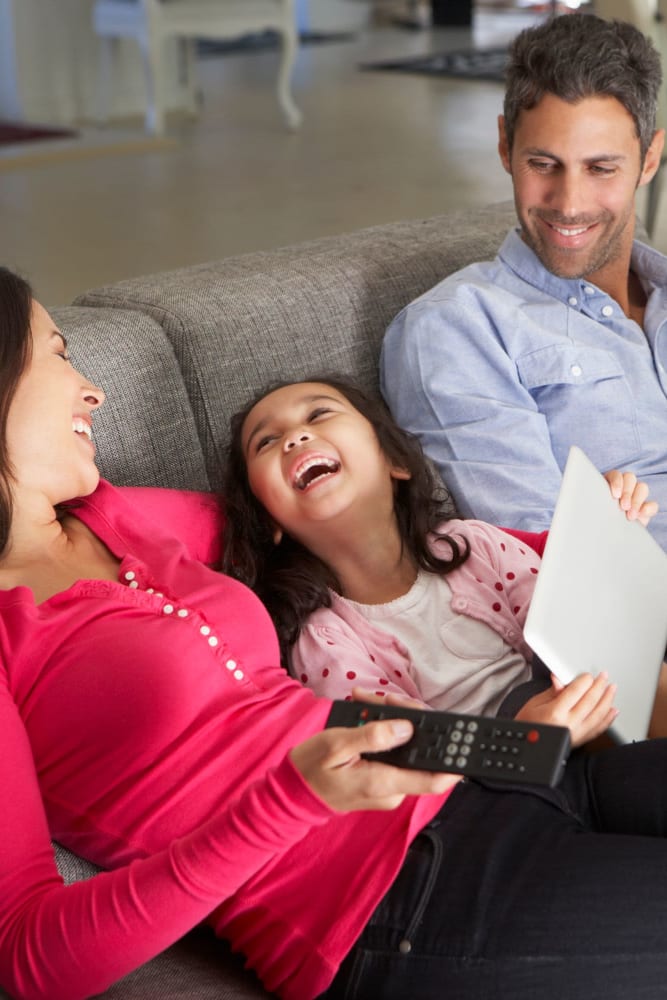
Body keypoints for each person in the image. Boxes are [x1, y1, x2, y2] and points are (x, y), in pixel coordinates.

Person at [5, 266, 667, 1000]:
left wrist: (585, 538)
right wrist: (286, 801)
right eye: (59, 355)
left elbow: (352, 522)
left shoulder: (115, 514)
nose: (91, 390)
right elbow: (29, 959)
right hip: (394, 906)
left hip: (500, 778)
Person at [222, 375, 656, 749]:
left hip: (581, 699)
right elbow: (402, 750)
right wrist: (522, 739)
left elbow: (575, 627)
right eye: (267, 440)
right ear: (268, 519)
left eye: (318, 416)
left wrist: (604, 525)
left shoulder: (474, 544)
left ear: (395, 462)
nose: (295, 438)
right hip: (497, 774)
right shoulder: (324, 638)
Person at [380, 12, 667, 550]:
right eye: (543, 163)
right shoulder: (456, 327)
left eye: (601, 168)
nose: (570, 204)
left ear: (649, 159)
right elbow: (544, 559)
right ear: (505, 146)